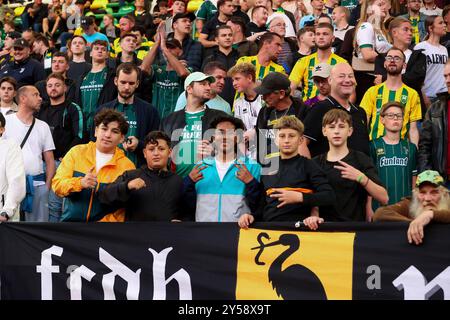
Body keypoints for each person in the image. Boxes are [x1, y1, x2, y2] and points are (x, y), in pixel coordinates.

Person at [238, 116, 335, 227]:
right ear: (275, 140)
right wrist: (252, 216)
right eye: (282, 136)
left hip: (300, 229)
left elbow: (329, 196)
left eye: (292, 136)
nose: (286, 140)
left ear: (301, 140)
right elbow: (262, 204)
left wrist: (300, 197)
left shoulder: (309, 165)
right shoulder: (267, 168)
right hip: (269, 229)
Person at [52, 109, 135, 222]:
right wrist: (80, 183)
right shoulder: (76, 152)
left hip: (105, 232)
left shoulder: (127, 166)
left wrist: (102, 226)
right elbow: (57, 185)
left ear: (122, 138)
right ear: (96, 131)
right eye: (104, 129)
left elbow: (124, 207)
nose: (107, 135)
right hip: (71, 226)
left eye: (114, 131)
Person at [312, 109, 388, 225]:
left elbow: (384, 198)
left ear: (350, 131)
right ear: (324, 131)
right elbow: (312, 198)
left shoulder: (361, 159)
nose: (336, 131)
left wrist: (361, 178)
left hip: (355, 229)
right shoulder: (315, 163)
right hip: (325, 231)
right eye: (332, 127)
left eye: (342, 127)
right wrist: (314, 215)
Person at [184, 115, 262, 222]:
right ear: (212, 137)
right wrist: (188, 182)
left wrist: (251, 183)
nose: (225, 137)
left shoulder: (253, 167)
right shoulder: (200, 167)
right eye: (220, 132)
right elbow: (187, 207)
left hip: (239, 233)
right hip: (203, 234)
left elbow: (259, 207)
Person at [98, 131, 186, 221]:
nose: (156, 153)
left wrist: (181, 222)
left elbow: (187, 212)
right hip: (135, 234)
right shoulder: (131, 175)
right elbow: (104, 197)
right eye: (151, 149)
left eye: (161, 149)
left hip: (167, 234)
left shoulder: (178, 181)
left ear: (170, 152)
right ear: (144, 153)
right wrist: (127, 186)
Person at [3, 86, 56, 222]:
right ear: (23, 98)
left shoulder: (43, 126)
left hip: (37, 185)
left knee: (37, 229)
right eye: (35, 95)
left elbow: (49, 160)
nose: (40, 98)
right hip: (9, 187)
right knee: (9, 228)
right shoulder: (6, 122)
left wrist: (47, 187)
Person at [160, 72, 228, 178]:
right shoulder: (169, 120)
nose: (208, 88)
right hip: (177, 183)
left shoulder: (220, 117)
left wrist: (217, 151)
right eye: (203, 84)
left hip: (209, 182)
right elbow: (161, 150)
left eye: (209, 84)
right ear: (189, 89)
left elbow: (235, 147)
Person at [37, 73, 84, 222]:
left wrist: (67, 157)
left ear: (65, 87)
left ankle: (54, 239)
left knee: (55, 205)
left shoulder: (72, 108)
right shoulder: (41, 109)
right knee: (37, 204)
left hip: (61, 163)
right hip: (40, 163)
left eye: (57, 85)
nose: (53, 88)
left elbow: (80, 135)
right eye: (50, 86)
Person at [97, 63, 160, 167]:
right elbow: (94, 141)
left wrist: (139, 145)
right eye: (123, 82)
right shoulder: (102, 110)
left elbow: (156, 144)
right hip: (107, 171)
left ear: (137, 84)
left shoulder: (150, 111)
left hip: (138, 171)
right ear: (115, 81)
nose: (126, 87)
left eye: (131, 83)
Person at [302, 62, 370, 158]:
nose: (347, 80)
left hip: (360, 172)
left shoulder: (360, 112)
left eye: (351, 76)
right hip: (329, 171)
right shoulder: (320, 109)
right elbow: (301, 143)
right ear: (330, 80)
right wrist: (313, 171)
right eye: (341, 76)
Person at [360, 47, 421, 146]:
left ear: (404, 65)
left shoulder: (412, 94)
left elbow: (413, 129)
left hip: (401, 151)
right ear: (384, 63)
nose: (392, 60)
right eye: (389, 58)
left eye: (397, 58)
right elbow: (363, 123)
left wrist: (414, 153)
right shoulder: (372, 91)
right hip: (375, 148)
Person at [373, 170, 450, 246]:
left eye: (434, 192)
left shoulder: (447, 202)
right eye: (422, 192)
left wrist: (430, 214)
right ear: (416, 194)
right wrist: (416, 222)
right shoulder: (410, 204)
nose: (427, 198)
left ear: (444, 194)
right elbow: (379, 214)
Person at [370, 101, 417, 211]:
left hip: (405, 207)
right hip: (379, 207)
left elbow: (414, 178)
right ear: (382, 120)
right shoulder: (373, 145)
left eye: (399, 116)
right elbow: (369, 178)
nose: (395, 119)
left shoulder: (411, 147)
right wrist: (368, 207)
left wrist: (414, 203)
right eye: (390, 115)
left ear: (403, 120)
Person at [255, 72, 308, 165]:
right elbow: (260, 142)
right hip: (269, 168)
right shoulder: (264, 112)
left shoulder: (302, 110)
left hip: (293, 168)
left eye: (267, 94)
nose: (263, 98)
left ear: (281, 94)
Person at [289, 23, 346, 101]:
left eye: (325, 34)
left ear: (333, 38)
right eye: (318, 34)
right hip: (308, 108)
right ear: (315, 38)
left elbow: (350, 93)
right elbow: (291, 88)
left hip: (332, 109)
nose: (321, 37)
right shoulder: (303, 61)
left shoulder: (342, 63)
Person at [75, 40, 117, 139]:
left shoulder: (112, 76)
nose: (100, 51)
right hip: (83, 128)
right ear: (90, 53)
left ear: (107, 54)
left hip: (103, 126)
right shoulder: (81, 78)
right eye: (96, 49)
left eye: (103, 49)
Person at [352, 0, 392, 104]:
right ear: (369, 10)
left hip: (378, 77)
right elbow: (367, 54)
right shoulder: (366, 26)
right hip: (367, 79)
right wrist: (391, 58)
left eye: (384, 4)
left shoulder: (381, 30)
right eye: (379, 5)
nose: (385, 7)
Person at [417, 60, 450, 182]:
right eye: (445, 76)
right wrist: (428, 178)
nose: (447, 80)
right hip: (442, 181)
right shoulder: (435, 109)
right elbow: (424, 146)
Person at [229, 62, 264, 158]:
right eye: (233, 80)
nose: (234, 83)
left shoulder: (266, 98)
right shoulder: (238, 103)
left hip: (268, 149)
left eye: (237, 79)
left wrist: (255, 131)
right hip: (249, 154)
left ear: (249, 78)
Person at [414, 15, 448, 107]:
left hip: (443, 95)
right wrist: (424, 97)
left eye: (444, 23)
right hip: (428, 96)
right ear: (430, 28)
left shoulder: (444, 49)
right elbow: (416, 76)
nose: (444, 25)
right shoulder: (421, 47)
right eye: (440, 23)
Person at [202, 25, 240, 105]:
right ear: (216, 39)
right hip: (215, 103)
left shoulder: (241, 58)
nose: (227, 38)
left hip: (238, 102)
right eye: (223, 35)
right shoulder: (209, 59)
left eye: (230, 35)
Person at [0, 112, 26, 222]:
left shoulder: (10, 147)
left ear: (2, 129)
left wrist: (6, 211)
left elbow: (17, 181)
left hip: (3, 217)